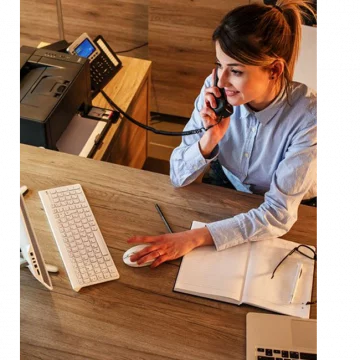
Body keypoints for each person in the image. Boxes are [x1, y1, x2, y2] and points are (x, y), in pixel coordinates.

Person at [128, 0, 318, 268]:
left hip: (295, 205)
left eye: (236, 71)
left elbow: (277, 214)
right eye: (219, 65)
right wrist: (209, 140)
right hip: (231, 187)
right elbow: (178, 176)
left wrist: (195, 238)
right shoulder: (217, 91)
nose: (221, 80)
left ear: (274, 70)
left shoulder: (309, 118)